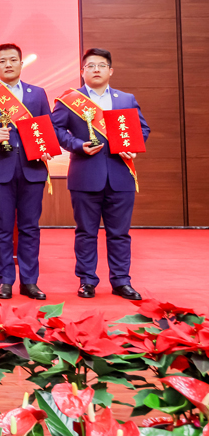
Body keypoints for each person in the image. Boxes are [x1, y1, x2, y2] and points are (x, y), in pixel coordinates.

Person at [52, 48, 150, 301]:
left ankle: (121, 281)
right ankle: (87, 281)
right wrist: (76, 145)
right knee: (86, 232)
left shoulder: (126, 99)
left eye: (101, 65)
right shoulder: (69, 100)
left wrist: (133, 146)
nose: (96, 69)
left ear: (110, 70)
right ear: (82, 71)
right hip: (85, 175)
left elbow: (143, 128)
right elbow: (55, 129)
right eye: (91, 65)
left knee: (120, 233)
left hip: (121, 175)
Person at [0, 44, 52, 301]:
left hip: (32, 169)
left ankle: (30, 282)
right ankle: (5, 280)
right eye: (3, 61)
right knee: (3, 227)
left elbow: (47, 127)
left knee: (30, 227)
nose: (8, 64)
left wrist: (47, 147)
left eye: (13, 60)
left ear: (21, 63)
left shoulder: (37, 94)